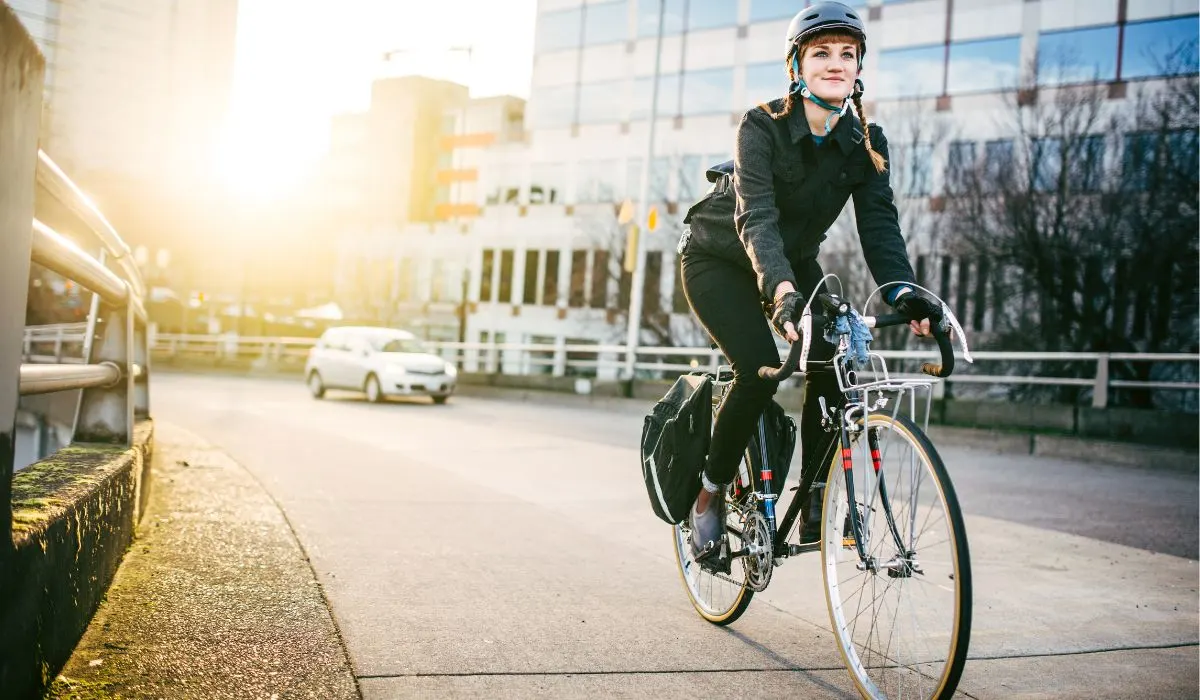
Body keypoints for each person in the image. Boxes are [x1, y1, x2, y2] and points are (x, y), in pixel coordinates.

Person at [678, 1, 942, 563]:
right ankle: (710, 492)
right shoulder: (762, 125)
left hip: (793, 263)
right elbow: (757, 219)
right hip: (720, 257)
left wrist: (902, 290)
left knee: (832, 350)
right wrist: (780, 294)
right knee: (759, 368)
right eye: (821, 52)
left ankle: (817, 497)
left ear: (858, 69)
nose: (836, 63)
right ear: (797, 65)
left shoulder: (866, 143)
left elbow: (879, 225)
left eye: (848, 54)